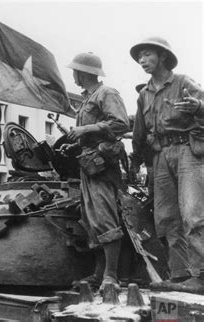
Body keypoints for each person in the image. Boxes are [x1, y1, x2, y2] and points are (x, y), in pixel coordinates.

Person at [130, 36, 204, 294]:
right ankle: (181, 275)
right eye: (139, 56)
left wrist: (198, 107)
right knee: (166, 218)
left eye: (147, 54)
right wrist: (135, 161)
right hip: (159, 156)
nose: (142, 60)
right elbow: (139, 133)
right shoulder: (144, 94)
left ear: (162, 56)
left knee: (193, 214)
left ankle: (202, 276)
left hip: (188, 153)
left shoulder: (183, 82)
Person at [61, 52, 129, 291]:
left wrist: (86, 128)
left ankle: (111, 275)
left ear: (83, 72)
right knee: (91, 219)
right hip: (88, 163)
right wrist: (76, 143)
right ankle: (100, 273)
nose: (74, 76)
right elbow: (91, 134)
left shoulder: (106, 94)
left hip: (103, 164)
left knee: (104, 215)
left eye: (75, 72)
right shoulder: (88, 98)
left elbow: (121, 123)